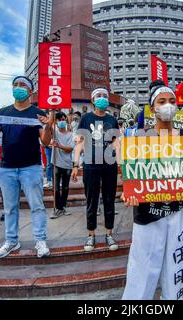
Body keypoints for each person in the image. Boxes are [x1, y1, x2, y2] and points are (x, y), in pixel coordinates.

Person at [121, 80, 183, 300]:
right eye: (162, 101)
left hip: (176, 212)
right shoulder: (138, 137)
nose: (168, 106)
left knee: (175, 264)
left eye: (172, 101)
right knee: (142, 267)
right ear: (152, 108)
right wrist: (128, 192)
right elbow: (130, 173)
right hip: (146, 214)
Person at [0, 76, 54, 259]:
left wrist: (48, 126)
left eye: (23, 85)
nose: (18, 88)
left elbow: (45, 141)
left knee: (37, 206)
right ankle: (11, 241)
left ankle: (40, 240)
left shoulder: (37, 112)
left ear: (30, 91)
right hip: (7, 168)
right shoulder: (3, 112)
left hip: (31, 167)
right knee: (9, 208)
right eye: (15, 85)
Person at [71, 87, 120, 252]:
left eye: (105, 96)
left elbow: (116, 143)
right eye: (98, 96)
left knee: (109, 200)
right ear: (92, 100)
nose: (102, 99)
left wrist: (120, 162)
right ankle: (91, 235)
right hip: (91, 165)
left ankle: (109, 233)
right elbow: (79, 142)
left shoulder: (112, 120)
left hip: (109, 165)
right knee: (91, 200)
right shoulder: (85, 119)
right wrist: (75, 164)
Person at [50, 112, 75, 218]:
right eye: (59, 119)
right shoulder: (54, 132)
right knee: (56, 188)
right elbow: (49, 124)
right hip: (56, 163)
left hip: (67, 165)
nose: (62, 121)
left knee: (65, 187)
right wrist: (52, 110)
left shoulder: (71, 135)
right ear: (56, 121)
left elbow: (70, 149)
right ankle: (58, 209)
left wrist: (59, 145)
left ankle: (62, 207)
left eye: (64, 119)